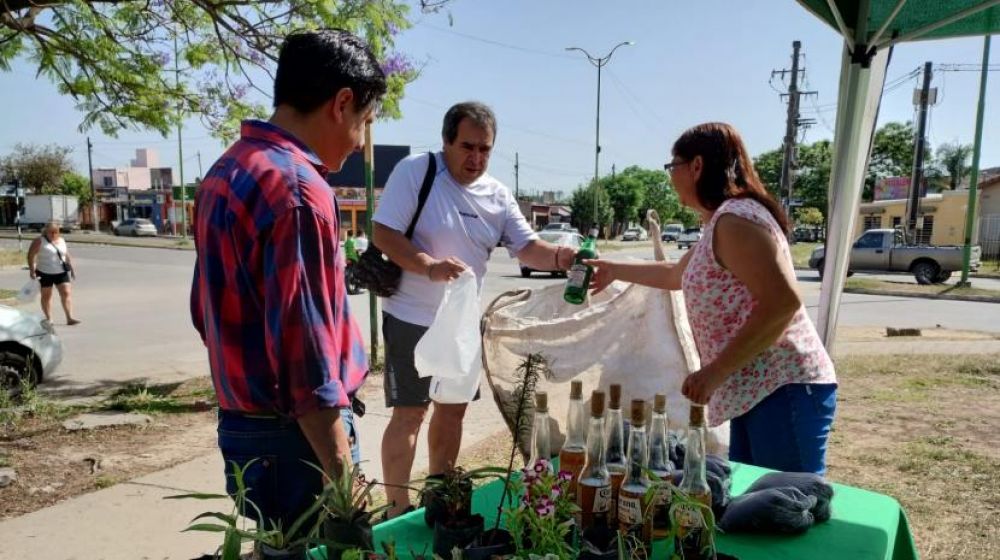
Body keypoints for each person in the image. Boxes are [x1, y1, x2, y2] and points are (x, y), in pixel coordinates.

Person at [189, 30, 383, 532]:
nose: (360, 143)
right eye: (364, 122)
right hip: (297, 439)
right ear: (342, 104)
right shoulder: (298, 190)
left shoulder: (225, 170)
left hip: (244, 428)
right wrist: (344, 476)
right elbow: (306, 358)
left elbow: (204, 312)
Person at [586, 122, 838, 475]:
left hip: (784, 391)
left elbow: (782, 303)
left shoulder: (735, 221)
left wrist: (715, 372)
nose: (671, 177)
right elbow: (676, 275)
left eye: (672, 166)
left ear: (697, 166)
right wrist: (613, 268)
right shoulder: (719, 222)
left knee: (787, 507)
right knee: (755, 508)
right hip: (757, 393)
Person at [373, 101, 578, 517]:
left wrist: (563, 258)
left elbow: (528, 247)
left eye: (485, 149)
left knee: (451, 414)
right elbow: (383, 232)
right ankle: (396, 509)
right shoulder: (417, 172)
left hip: (463, 327)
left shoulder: (497, 195)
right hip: (412, 317)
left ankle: (438, 500)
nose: (476, 158)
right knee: (409, 414)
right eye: (468, 147)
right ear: (446, 140)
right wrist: (428, 267)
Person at [27, 222, 80, 325]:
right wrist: (32, 270)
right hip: (44, 272)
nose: (54, 234)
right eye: (51, 232)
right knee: (47, 295)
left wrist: (72, 269)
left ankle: (69, 318)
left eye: (56, 232)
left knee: (66, 293)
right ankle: (49, 318)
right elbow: (30, 255)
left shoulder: (61, 240)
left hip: (61, 272)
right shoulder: (39, 241)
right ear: (45, 231)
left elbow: (66, 254)